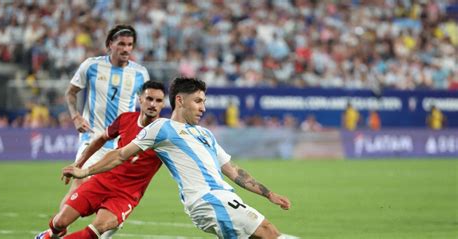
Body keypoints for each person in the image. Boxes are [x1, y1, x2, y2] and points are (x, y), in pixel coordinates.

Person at [63, 77, 294, 238]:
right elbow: (121, 154)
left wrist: (269, 194)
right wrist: (84, 170)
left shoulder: (205, 134)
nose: (203, 107)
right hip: (208, 200)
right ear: (180, 101)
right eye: (198, 101)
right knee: (269, 233)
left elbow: (234, 171)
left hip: (224, 196)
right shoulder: (162, 128)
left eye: (204, 101)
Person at [35, 81, 165, 239]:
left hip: (126, 195)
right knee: (60, 222)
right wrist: (79, 163)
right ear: (140, 100)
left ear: (163, 103)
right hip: (102, 181)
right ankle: (50, 234)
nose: (153, 104)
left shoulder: (165, 133)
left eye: (158, 100)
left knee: (97, 229)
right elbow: (101, 139)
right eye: (149, 98)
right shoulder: (125, 119)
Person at [62, 24, 149, 239]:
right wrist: (75, 116)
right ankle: (57, 228)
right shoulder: (91, 66)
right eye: (121, 44)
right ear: (110, 44)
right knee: (80, 184)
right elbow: (71, 93)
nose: (126, 49)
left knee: (117, 197)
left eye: (130, 45)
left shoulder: (140, 73)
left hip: (123, 145)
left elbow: (146, 107)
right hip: (92, 137)